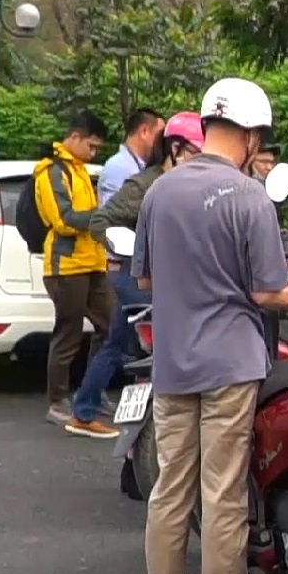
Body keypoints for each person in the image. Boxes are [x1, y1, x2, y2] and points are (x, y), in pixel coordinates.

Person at [135, 78, 288, 574]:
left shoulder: (159, 193)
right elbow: (269, 292)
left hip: (172, 363)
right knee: (223, 492)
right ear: (250, 134)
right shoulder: (249, 197)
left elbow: (144, 278)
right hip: (230, 366)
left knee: (170, 490)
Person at [65, 112, 205, 439]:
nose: (201, 162)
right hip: (137, 278)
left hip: (175, 281)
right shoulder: (145, 185)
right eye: (197, 154)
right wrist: (137, 252)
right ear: (175, 149)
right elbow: (101, 222)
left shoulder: (196, 184)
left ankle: (87, 410)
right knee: (168, 346)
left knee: (115, 345)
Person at [35, 110, 113, 426]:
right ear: (75, 137)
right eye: (91, 146)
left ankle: (92, 391)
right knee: (68, 335)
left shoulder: (79, 170)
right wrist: (101, 217)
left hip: (93, 262)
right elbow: (64, 219)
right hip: (65, 267)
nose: (93, 153)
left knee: (110, 328)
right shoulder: (51, 171)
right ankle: (57, 401)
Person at [97, 110, 165, 205]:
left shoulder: (139, 166)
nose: (162, 143)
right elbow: (111, 216)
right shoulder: (118, 167)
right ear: (144, 131)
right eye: (159, 136)